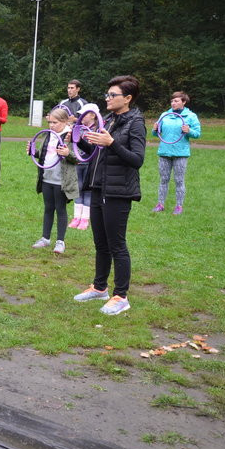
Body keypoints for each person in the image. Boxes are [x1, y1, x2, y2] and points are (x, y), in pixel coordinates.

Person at [72, 75, 146, 316]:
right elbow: (97, 152)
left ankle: (121, 296)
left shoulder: (135, 122)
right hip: (99, 187)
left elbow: (137, 160)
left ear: (127, 98)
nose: (108, 98)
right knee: (100, 243)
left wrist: (111, 142)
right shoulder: (111, 120)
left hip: (118, 191)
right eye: (107, 95)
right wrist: (82, 141)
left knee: (117, 245)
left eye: (112, 95)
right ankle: (99, 287)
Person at [29, 107, 78, 254]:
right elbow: (45, 154)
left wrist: (68, 153)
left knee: (60, 209)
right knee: (48, 208)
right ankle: (45, 238)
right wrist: (33, 152)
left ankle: (60, 242)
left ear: (64, 122)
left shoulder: (70, 136)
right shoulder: (48, 135)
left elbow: (79, 158)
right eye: (50, 122)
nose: (51, 125)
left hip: (61, 181)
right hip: (47, 178)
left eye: (55, 122)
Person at [151, 91, 201, 215]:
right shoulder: (164, 115)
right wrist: (155, 129)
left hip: (181, 153)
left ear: (183, 102)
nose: (173, 103)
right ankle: (160, 204)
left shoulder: (191, 116)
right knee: (164, 179)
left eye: (176, 101)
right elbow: (155, 133)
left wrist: (189, 130)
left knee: (179, 180)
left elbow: (197, 134)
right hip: (164, 152)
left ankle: (179, 206)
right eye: (172, 101)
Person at [69, 103, 100, 230]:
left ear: (93, 115)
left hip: (89, 164)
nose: (81, 116)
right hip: (78, 162)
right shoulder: (79, 128)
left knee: (87, 190)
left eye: (84, 114)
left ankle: (85, 218)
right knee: (78, 188)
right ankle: (77, 216)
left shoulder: (97, 130)